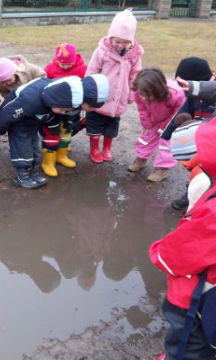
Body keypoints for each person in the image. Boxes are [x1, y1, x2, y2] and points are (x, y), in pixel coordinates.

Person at [149, 118, 216, 360]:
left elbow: (176, 255)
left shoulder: (212, 211)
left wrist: (158, 251)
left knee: (187, 343)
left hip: (200, 298)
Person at [0, 76, 83, 189]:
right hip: (18, 123)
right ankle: (22, 176)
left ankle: (33, 173)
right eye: (63, 110)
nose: (63, 112)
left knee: (34, 148)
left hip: (32, 122)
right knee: (23, 149)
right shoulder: (30, 100)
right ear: (55, 101)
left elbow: (53, 118)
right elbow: (7, 113)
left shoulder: (54, 101)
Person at [85, 8, 143, 163]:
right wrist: (89, 92)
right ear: (110, 38)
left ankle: (107, 147)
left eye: (124, 43)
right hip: (101, 95)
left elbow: (135, 75)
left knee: (112, 124)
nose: (119, 45)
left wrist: (131, 94)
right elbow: (92, 70)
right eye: (116, 41)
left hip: (119, 96)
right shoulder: (102, 51)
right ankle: (95, 148)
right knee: (95, 122)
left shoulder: (134, 55)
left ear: (130, 41)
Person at [165, 57, 215, 210]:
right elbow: (183, 112)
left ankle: (207, 202)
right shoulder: (191, 96)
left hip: (212, 142)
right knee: (195, 170)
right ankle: (189, 195)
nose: (182, 89)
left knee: (210, 174)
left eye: (184, 84)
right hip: (197, 142)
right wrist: (167, 134)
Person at [127, 68, 185, 182]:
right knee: (145, 138)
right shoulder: (138, 92)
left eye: (147, 95)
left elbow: (178, 112)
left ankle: (162, 169)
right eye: (141, 94)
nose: (143, 97)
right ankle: (141, 159)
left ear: (157, 90)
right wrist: (147, 123)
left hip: (171, 120)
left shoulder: (174, 94)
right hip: (154, 118)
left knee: (166, 143)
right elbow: (141, 108)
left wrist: (166, 128)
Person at [41, 42, 88, 177]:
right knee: (52, 133)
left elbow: (86, 85)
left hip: (72, 108)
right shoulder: (50, 69)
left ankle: (62, 155)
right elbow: (43, 83)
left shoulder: (82, 69)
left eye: (69, 64)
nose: (66, 66)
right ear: (56, 60)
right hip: (54, 108)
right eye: (62, 64)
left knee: (67, 131)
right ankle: (48, 161)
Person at [0, 56, 45, 151]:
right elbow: (6, 95)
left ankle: (33, 141)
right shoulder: (3, 84)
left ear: (15, 72)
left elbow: (43, 78)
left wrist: (37, 92)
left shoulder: (31, 69)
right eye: (4, 82)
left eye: (9, 80)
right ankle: (16, 144)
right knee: (15, 122)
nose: (7, 83)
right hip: (18, 103)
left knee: (34, 122)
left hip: (34, 99)